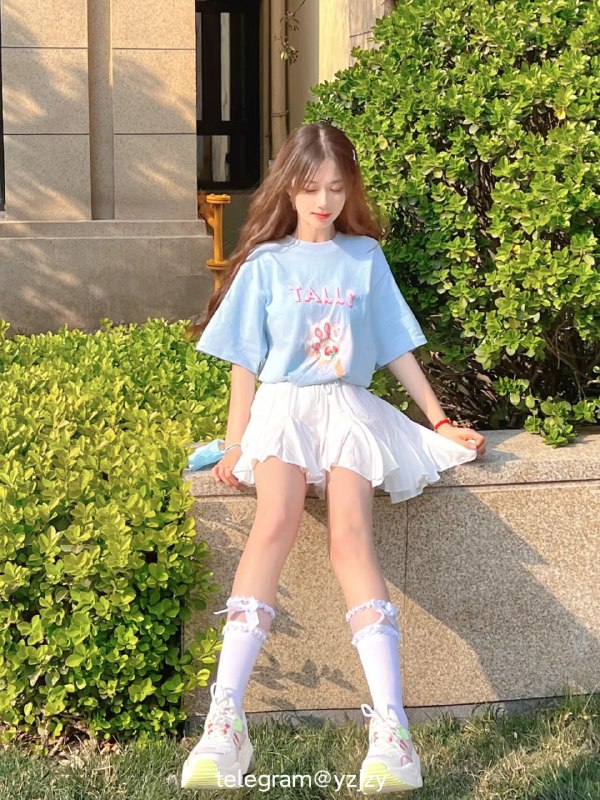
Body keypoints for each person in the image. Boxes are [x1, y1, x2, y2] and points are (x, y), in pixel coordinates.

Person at [181, 122, 486, 794]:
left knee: (350, 538)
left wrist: (438, 419)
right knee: (275, 522)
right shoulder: (266, 264)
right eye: (312, 187)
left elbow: (395, 344)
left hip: (348, 411)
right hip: (284, 412)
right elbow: (244, 364)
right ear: (289, 188)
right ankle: (225, 720)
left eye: (337, 188)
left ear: (350, 191)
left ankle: (392, 732)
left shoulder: (363, 258)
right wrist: (236, 441)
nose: (324, 201)